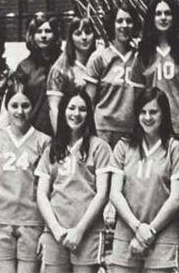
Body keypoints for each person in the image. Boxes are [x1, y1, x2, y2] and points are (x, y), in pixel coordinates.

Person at [109, 88, 179, 273]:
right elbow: (115, 192)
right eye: (143, 112)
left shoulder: (175, 147)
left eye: (153, 112)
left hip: (163, 234)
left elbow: (177, 197)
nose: (147, 117)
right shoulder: (124, 145)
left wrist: (149, 232)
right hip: (127, 232)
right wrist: (137, 228)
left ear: (164, 114)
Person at [36, 90, 112, 273]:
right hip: (56, 232)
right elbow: (41, 194)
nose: (76, 114)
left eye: (82, 109)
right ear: (63, 111)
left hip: (87, 232)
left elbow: (102, 194)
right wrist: (55, 229)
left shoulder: (99, 147)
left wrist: (79, 230)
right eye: (71, 108)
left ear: (89, 114)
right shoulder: (52, 149)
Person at [0, 82, 51, 273]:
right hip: (1, 222)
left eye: (25, 105)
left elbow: (48, 192)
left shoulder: (44, 143)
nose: (20, 111)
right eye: (14, 105)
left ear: (33, 107)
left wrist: (45, 231)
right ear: (6, 107)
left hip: (32, 223)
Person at [130, 0, 179, 143]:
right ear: (152, 19)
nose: (163, 17)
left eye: (168, 13)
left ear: (175, 18)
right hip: (152, 128)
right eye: (158, 13)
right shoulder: (143, 54)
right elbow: (137, 100)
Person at [85, 2, 141, 148]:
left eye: (129, 21)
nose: (124, 25)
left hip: (132, 130)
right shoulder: (99, 57)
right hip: (103, 129)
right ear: (112, 24)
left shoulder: (140, 57)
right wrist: (88, 132)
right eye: (119, 21)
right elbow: (89, 101)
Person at [1, 15, 62, 136]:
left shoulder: (64, 63)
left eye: (48, 31)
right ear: (32, 36)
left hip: (63, 130)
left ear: (55, 34)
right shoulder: (24, 67)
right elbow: (13, 102)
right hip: (33, 132)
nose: (43, 35)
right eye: (39, 31)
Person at [47, 16, 97, 132]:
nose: (84, 37)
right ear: (71, 38)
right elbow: (53, 108)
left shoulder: (101, 64)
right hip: (71, 132)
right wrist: (60, 138)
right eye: (78, 33)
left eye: (88, 32)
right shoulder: (60, 69)